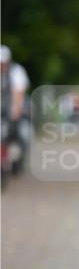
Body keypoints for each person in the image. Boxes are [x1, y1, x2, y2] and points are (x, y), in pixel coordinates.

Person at [1, 45, 30, 175]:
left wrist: (15, 111)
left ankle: (19, 161)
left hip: (16, 111)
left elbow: (18, 93)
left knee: (24, 134)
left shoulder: (16, 71)